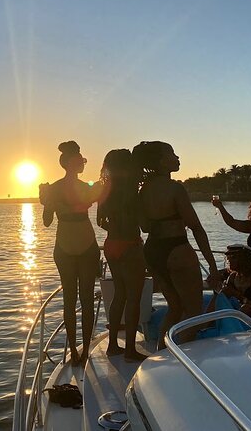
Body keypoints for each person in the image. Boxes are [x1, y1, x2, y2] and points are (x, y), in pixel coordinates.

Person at [132, 141, 221, 347]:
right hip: (177, 249)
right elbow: (196, 228)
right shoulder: (175, 189)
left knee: (174, 307)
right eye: (172, 153)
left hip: (153, 251)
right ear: (162, 162)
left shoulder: (142, 191)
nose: (177, 157)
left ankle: (161, 353)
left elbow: (145, 227)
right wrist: (213, 267)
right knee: (193, 312)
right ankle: (183, 361)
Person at [39, 141, 101, 366]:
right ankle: (83, 350)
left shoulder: (53, 188)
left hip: (65, 245)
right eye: (81, 160)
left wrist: (46, 199)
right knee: (85, 300)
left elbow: (46, 222)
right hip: (85, 243)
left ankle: (75, 350)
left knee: (70, 300)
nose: (83, 163)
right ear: (73, 163)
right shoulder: (86, 187)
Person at [97, 149, 148, 362]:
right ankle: (129, 350)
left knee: (119, 295)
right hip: (130, 245)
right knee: (134, 298)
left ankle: (112, 346)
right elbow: (144, 224)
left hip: (111, 244)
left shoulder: (105, 190)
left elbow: (100, 221)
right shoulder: (132, 192)